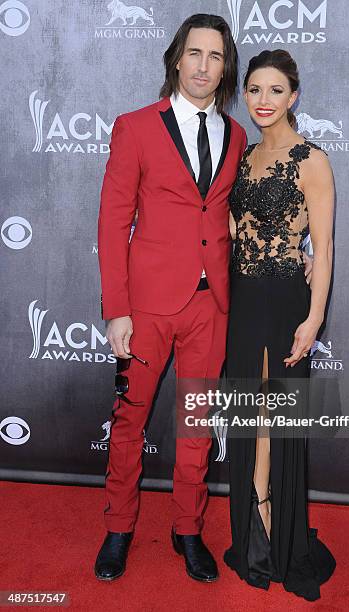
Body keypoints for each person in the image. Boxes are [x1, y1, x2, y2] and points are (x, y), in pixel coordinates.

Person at [94, 14, 247, 582]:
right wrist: (117, 309)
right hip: (149, 304)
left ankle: (188, 530)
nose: (204, 65)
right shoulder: (135, 127)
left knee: (197, 424)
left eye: (215, 55)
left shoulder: (236, 135)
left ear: (225, 66)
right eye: (194, 53)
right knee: (129, 421)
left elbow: (231, 213)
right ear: (176, 59)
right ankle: (119, 527)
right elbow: (113, 222)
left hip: (212, 305)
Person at [223, 49, 336, 602]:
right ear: (245, 95)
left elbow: (326, 245)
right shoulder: (242, 156)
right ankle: (252, 521)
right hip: (242, 301)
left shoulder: (311, 159)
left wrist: (314, 316)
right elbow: (230, 224)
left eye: (275, 91)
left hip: (284, 299)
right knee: (249, 412)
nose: (263, 100)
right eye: (254, 90)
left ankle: (268, 528)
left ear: (294, 97)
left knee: (271, 413)